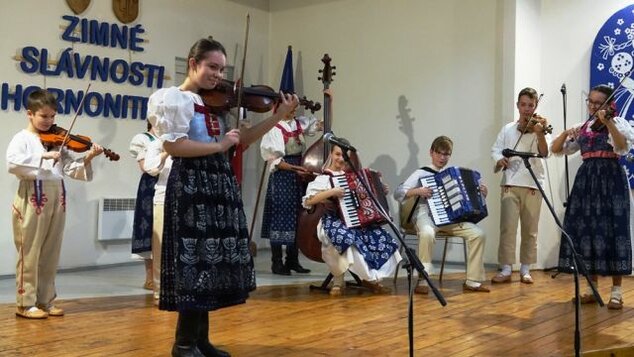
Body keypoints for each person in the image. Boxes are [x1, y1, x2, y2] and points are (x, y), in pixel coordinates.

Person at [147, 37, 299, 357]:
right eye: (212, 67)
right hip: (191, 183)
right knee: (194, 264)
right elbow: (174, 146)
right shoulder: (173, 98)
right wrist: (219, 147)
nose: (218, 75)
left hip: (218, 184)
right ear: (193, 64)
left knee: (209, 267)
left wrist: (278, 115)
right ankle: (183, 344)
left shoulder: (217, 102)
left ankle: (200, 341)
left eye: (221, 68)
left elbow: (241, 140)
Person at [7, 88, 104, 319]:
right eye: (43, 116)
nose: (49, 121)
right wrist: (42, 156)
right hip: (33, 193)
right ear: (29, 114)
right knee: (29, 250)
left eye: (52, 117)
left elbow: (71, 169)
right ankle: (25, 303)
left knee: (51, 251)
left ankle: (45, 300)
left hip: (57, 194)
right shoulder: (22, 138)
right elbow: (12, 164)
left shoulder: (58, 140)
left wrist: (88, 158)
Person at [551, 84, 634, 310]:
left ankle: (617, 292)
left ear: (608, 105)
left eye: (598, 103)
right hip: (587, 180)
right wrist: (567, 133)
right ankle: (591, 288)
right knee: (588, 231)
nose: (593, 106)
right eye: (590, 101)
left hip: (611, 179)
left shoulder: (617, 123)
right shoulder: (583, 127)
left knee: (613, 230)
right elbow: (557, 149)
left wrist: (608, 122)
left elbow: (622, 146)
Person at [302, 140, 402, 296]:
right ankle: (338, 280)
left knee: (382, 237)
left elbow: (366, 199)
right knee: (345, 238)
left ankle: (372, 279)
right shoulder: (324, 178)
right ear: (331, 154)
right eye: (337, 154)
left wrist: (381, 190)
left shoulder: (354, 178)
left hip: (356, 221)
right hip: (332, 220)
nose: (341, 159)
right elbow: (308, 201)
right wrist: (331, 192)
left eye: (344, 156)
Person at [395, 135, 490, 294]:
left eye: (446, 154)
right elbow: (398, 193)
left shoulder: (452, 173)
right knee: (426, 233)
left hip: (450, 217)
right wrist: (418, 191)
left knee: (478, 234)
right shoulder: (421, 173)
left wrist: (481, 193)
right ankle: (423, 280)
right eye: (439, 153)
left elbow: (466, 197)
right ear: (431, 152)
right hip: (425, 214)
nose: (442, 157)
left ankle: (473, 281)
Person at [490, 87, 551, 285]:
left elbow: (545, 152)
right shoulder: (508, 128)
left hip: (533, 183)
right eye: (523, 105)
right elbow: (496, 149)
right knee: (507, 227)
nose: (527, 109)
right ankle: (506, 268)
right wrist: (499, 160)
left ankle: (526, 269)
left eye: (531, 105)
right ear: (517, 105)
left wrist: (540, 134)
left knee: (530, 229)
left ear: (535, 106)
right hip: (510, 182)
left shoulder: (539, 128)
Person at [260, 101, 320, 275]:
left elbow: (321, 127)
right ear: (278, 108)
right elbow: (274, 160)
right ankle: (277, 262)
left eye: (294, 109)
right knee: (280, 217)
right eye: (289, 109)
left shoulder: (298, 123)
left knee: (297, 217)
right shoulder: (274, 128)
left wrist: (329, 101)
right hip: (283, 176)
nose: (293, 112)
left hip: (298, 175)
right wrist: (296, 169)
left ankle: (293, 260)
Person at [129, 122, 159, 291]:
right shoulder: (143, 139)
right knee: (149, 228)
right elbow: (145, 167)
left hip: (172, 182)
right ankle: (150, 277)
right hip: (151, 185)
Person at [143, 137, 172, 304]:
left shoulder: (192, 140)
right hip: (163, 196)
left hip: (187, 196)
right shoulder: (157, 143)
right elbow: (150, 168)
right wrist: (168, 151)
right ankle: (160, 291)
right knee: (160, 246)